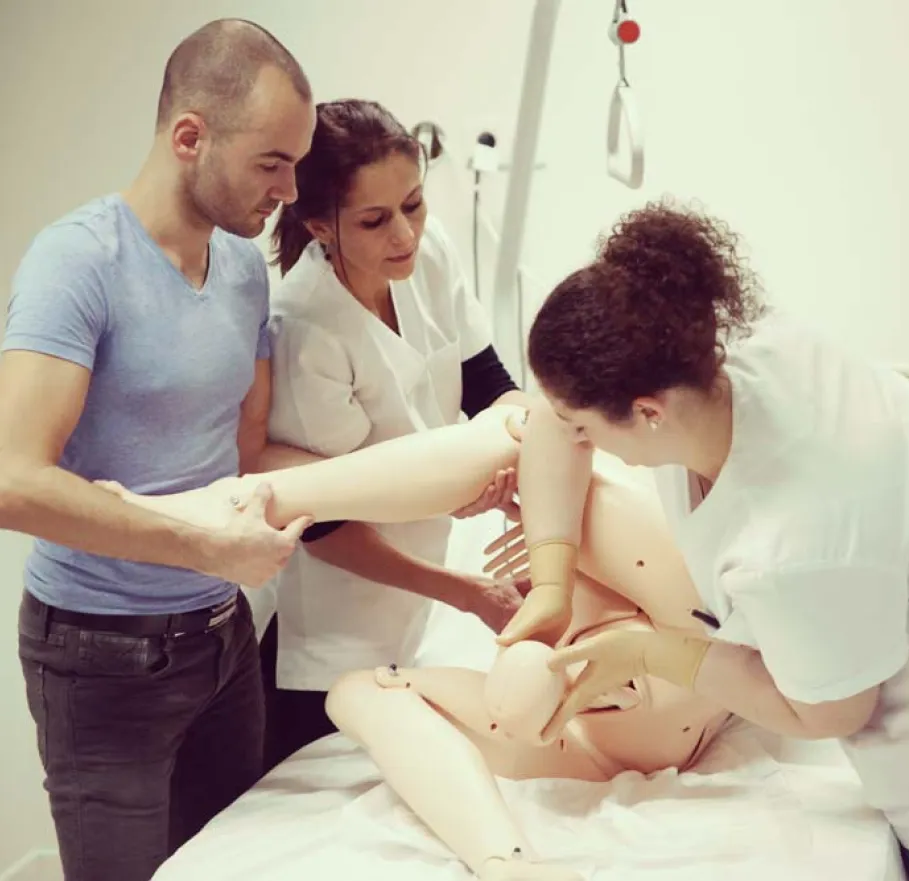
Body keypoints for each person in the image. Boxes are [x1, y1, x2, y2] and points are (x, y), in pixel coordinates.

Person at [494, 200, 909, 881]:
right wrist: (550, 581)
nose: (575, 438)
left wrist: (652, 652)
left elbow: (830, 711)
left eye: (585, 428)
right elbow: (553, 418)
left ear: (648, 412)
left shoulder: (793, 538)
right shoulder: (700, 351)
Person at [100, 404, 734, 881]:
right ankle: (507, 862)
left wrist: (549, 544)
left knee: (515, 429)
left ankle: (237, 500)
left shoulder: (642, 528)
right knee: (360, 692)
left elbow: (538, 420)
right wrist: (546, 542)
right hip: (610, 737)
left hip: (655, 676)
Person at [0, 20, 316, 881]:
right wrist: (206, 548)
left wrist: (428, 475)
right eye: (272, 162)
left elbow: (246, 453)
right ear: (189, 137)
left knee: (228, 868)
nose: (289, 190)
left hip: (223, 642)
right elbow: (12, 480)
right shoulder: (77, 263)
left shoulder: (244, 270)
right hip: (100, 657)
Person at [254, 97, 529, 770]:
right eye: (374, 220)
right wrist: (467, 591)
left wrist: (512, 460)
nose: (405, 234)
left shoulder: (428, 257)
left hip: (418, 612)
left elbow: (491, 386)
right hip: (333, 638)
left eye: (414, 204)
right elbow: (323, 525)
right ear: (320, 225)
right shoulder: (305, 327)